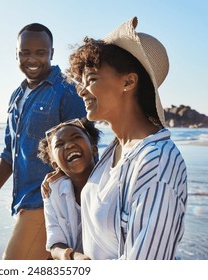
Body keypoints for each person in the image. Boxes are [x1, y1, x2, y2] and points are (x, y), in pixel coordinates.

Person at [66, 17, 187, 259]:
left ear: (129, 82)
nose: (80, 90)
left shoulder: (157, 162)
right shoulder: (114, 150)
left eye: (90, 80)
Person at [0, 23, 86, 260]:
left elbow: (85, 148)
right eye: (25, 52)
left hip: (48, 203)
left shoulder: (67, 90)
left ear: (52, 53)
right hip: (22, 200)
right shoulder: (17, 95)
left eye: (40, 52)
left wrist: (61, 176)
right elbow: (9, 155)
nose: (32, 59)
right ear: (16, 54)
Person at [37, 118, 100, 260]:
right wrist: (71, 256)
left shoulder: (111, 181)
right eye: (59, 144)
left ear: (94, 149)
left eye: (76, 137)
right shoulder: (52, 190)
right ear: (55, 164)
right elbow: (54, 242)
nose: (69, 145)